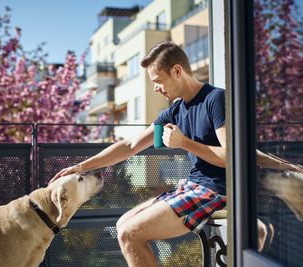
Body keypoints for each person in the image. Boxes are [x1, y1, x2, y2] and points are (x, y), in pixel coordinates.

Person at [49, 41, 287, 265]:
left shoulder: (216, 99)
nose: (155, 88)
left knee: (130, 234)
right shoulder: (175, 110)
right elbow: (130, 145)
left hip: (217, 189)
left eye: (158, 80)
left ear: (176, 71)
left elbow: (231, 157)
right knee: (122, 225)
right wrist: (82, 167)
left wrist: (184, 143)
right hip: (193, 186)